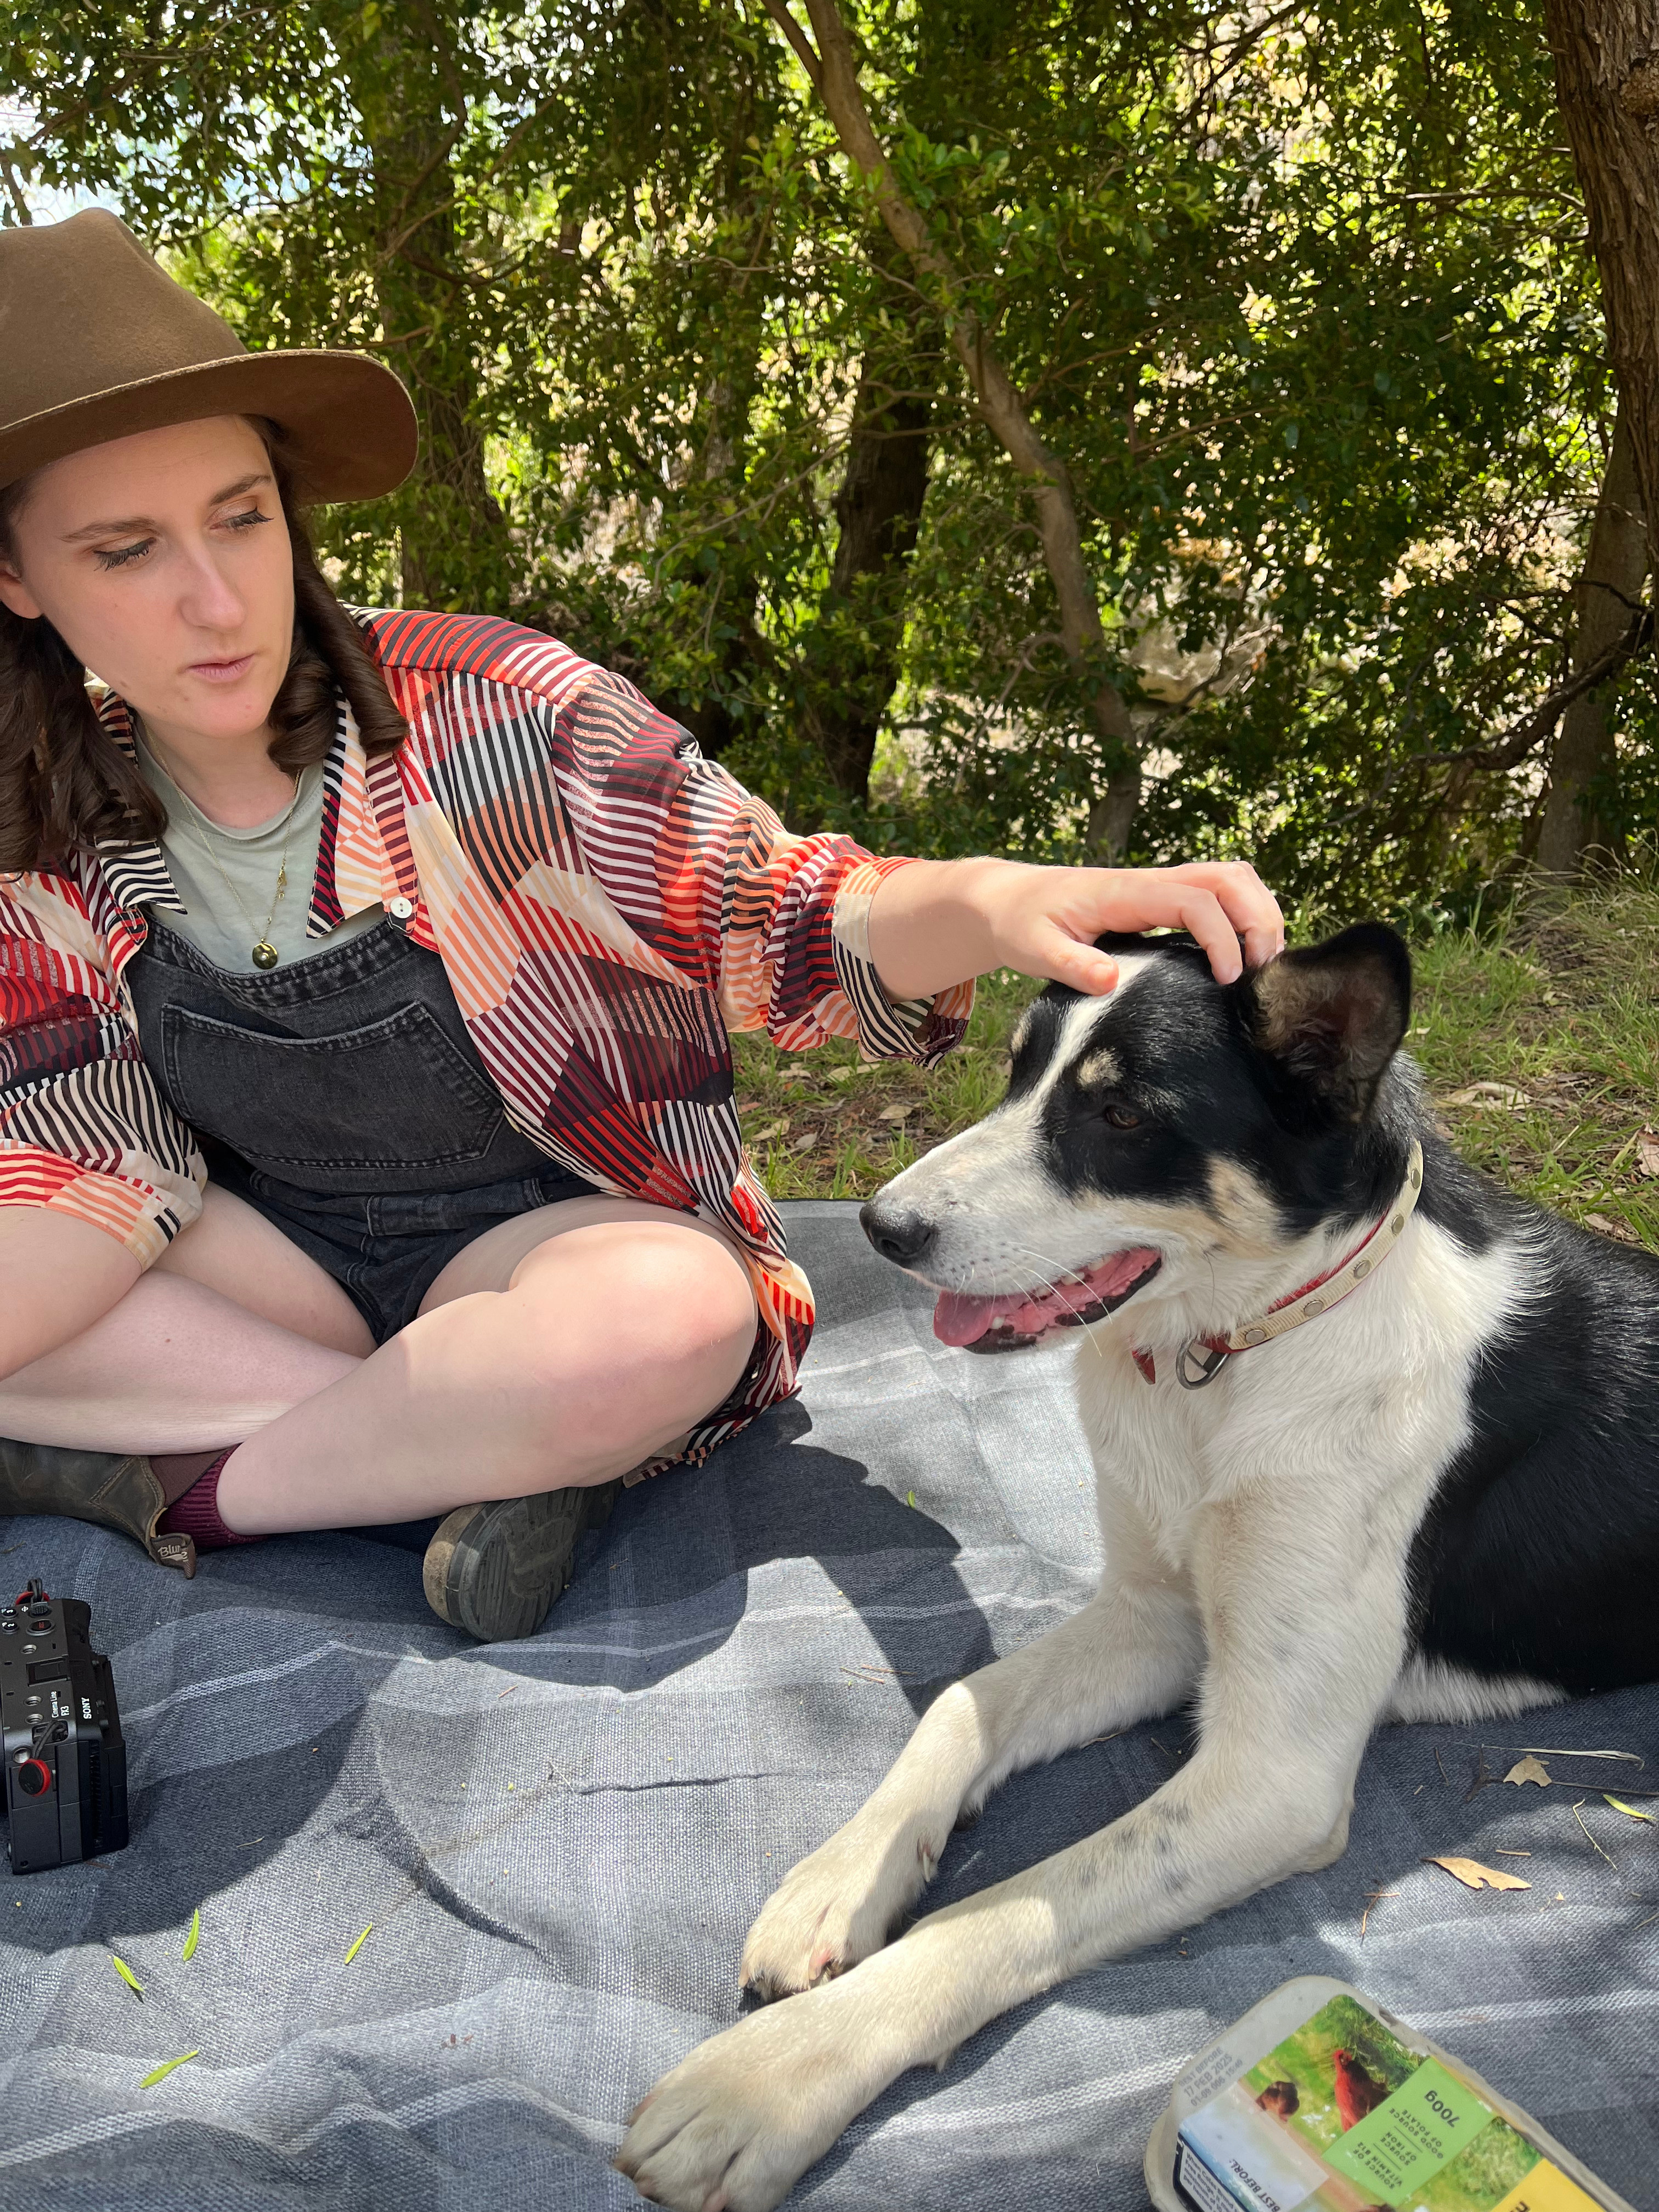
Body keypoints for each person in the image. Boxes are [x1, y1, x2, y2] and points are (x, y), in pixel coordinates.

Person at [0, 211, 1283, 1640]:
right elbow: (82, 1157)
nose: (216, 595)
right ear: (17, 582)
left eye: (241, 516)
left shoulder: (500, 712)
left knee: (670, 1323)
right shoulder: (49, 829)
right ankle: (466, 1452)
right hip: (272, 1279)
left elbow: (784, 911)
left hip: (553, 1262)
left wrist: (985, 901)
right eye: (124, 551)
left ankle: (187, 1489)